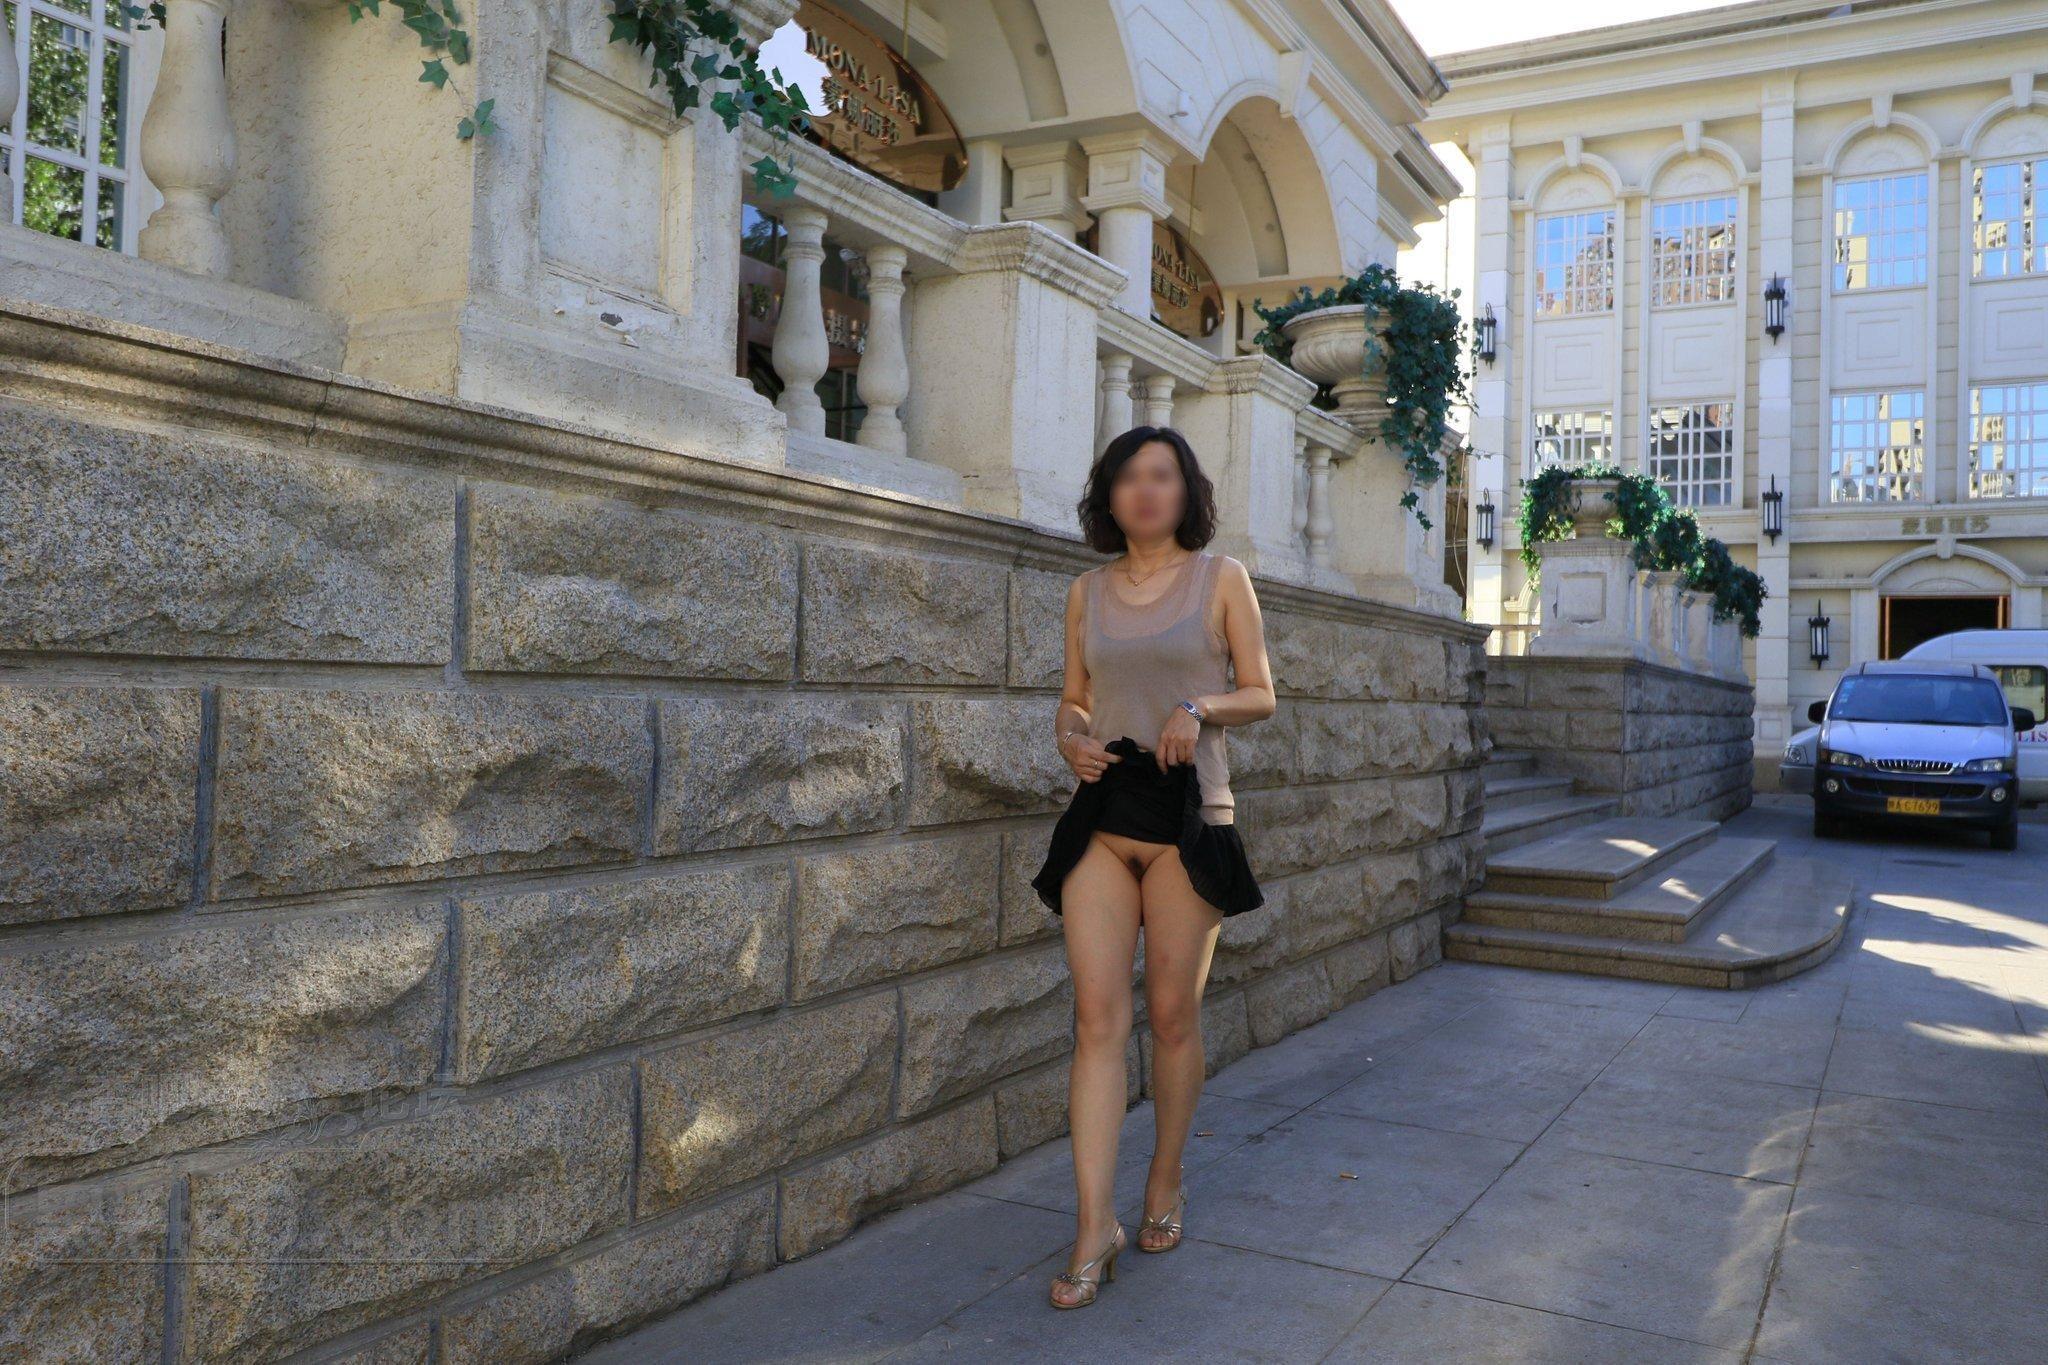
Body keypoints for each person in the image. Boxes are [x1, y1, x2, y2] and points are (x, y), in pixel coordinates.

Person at [1030, 425, 1275, 1310]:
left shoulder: (1222, 578)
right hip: (1103, 815)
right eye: (1128, 476)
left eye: (1161, 475)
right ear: (1109, 494)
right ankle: (1094, 1225)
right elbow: (1075, 697)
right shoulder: (1086, 591)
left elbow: (1261, 692)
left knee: (1171, 1015)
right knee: (1097, 1020)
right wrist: (1069, 736)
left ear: (1186, 491)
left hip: (1187, 817)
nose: (1144, 489)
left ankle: (1164, 1177)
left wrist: (1196, 705)